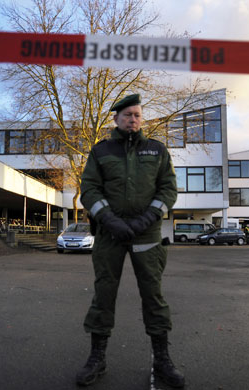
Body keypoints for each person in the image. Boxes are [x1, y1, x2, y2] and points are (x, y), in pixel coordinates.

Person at [76, 94, 184, 388]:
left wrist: (145, 219)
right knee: (103, 295)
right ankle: (97, 358)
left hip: (146, 235)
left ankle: (162, 360)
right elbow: (89, 189)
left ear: (141, 118)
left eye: (137, 115)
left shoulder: (157, 150)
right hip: (110, 235)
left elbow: (168, 190)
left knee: (153, 297)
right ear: (116, 119)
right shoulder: (101, 151)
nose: (133, 120)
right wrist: (109, 220)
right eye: (127, 115)